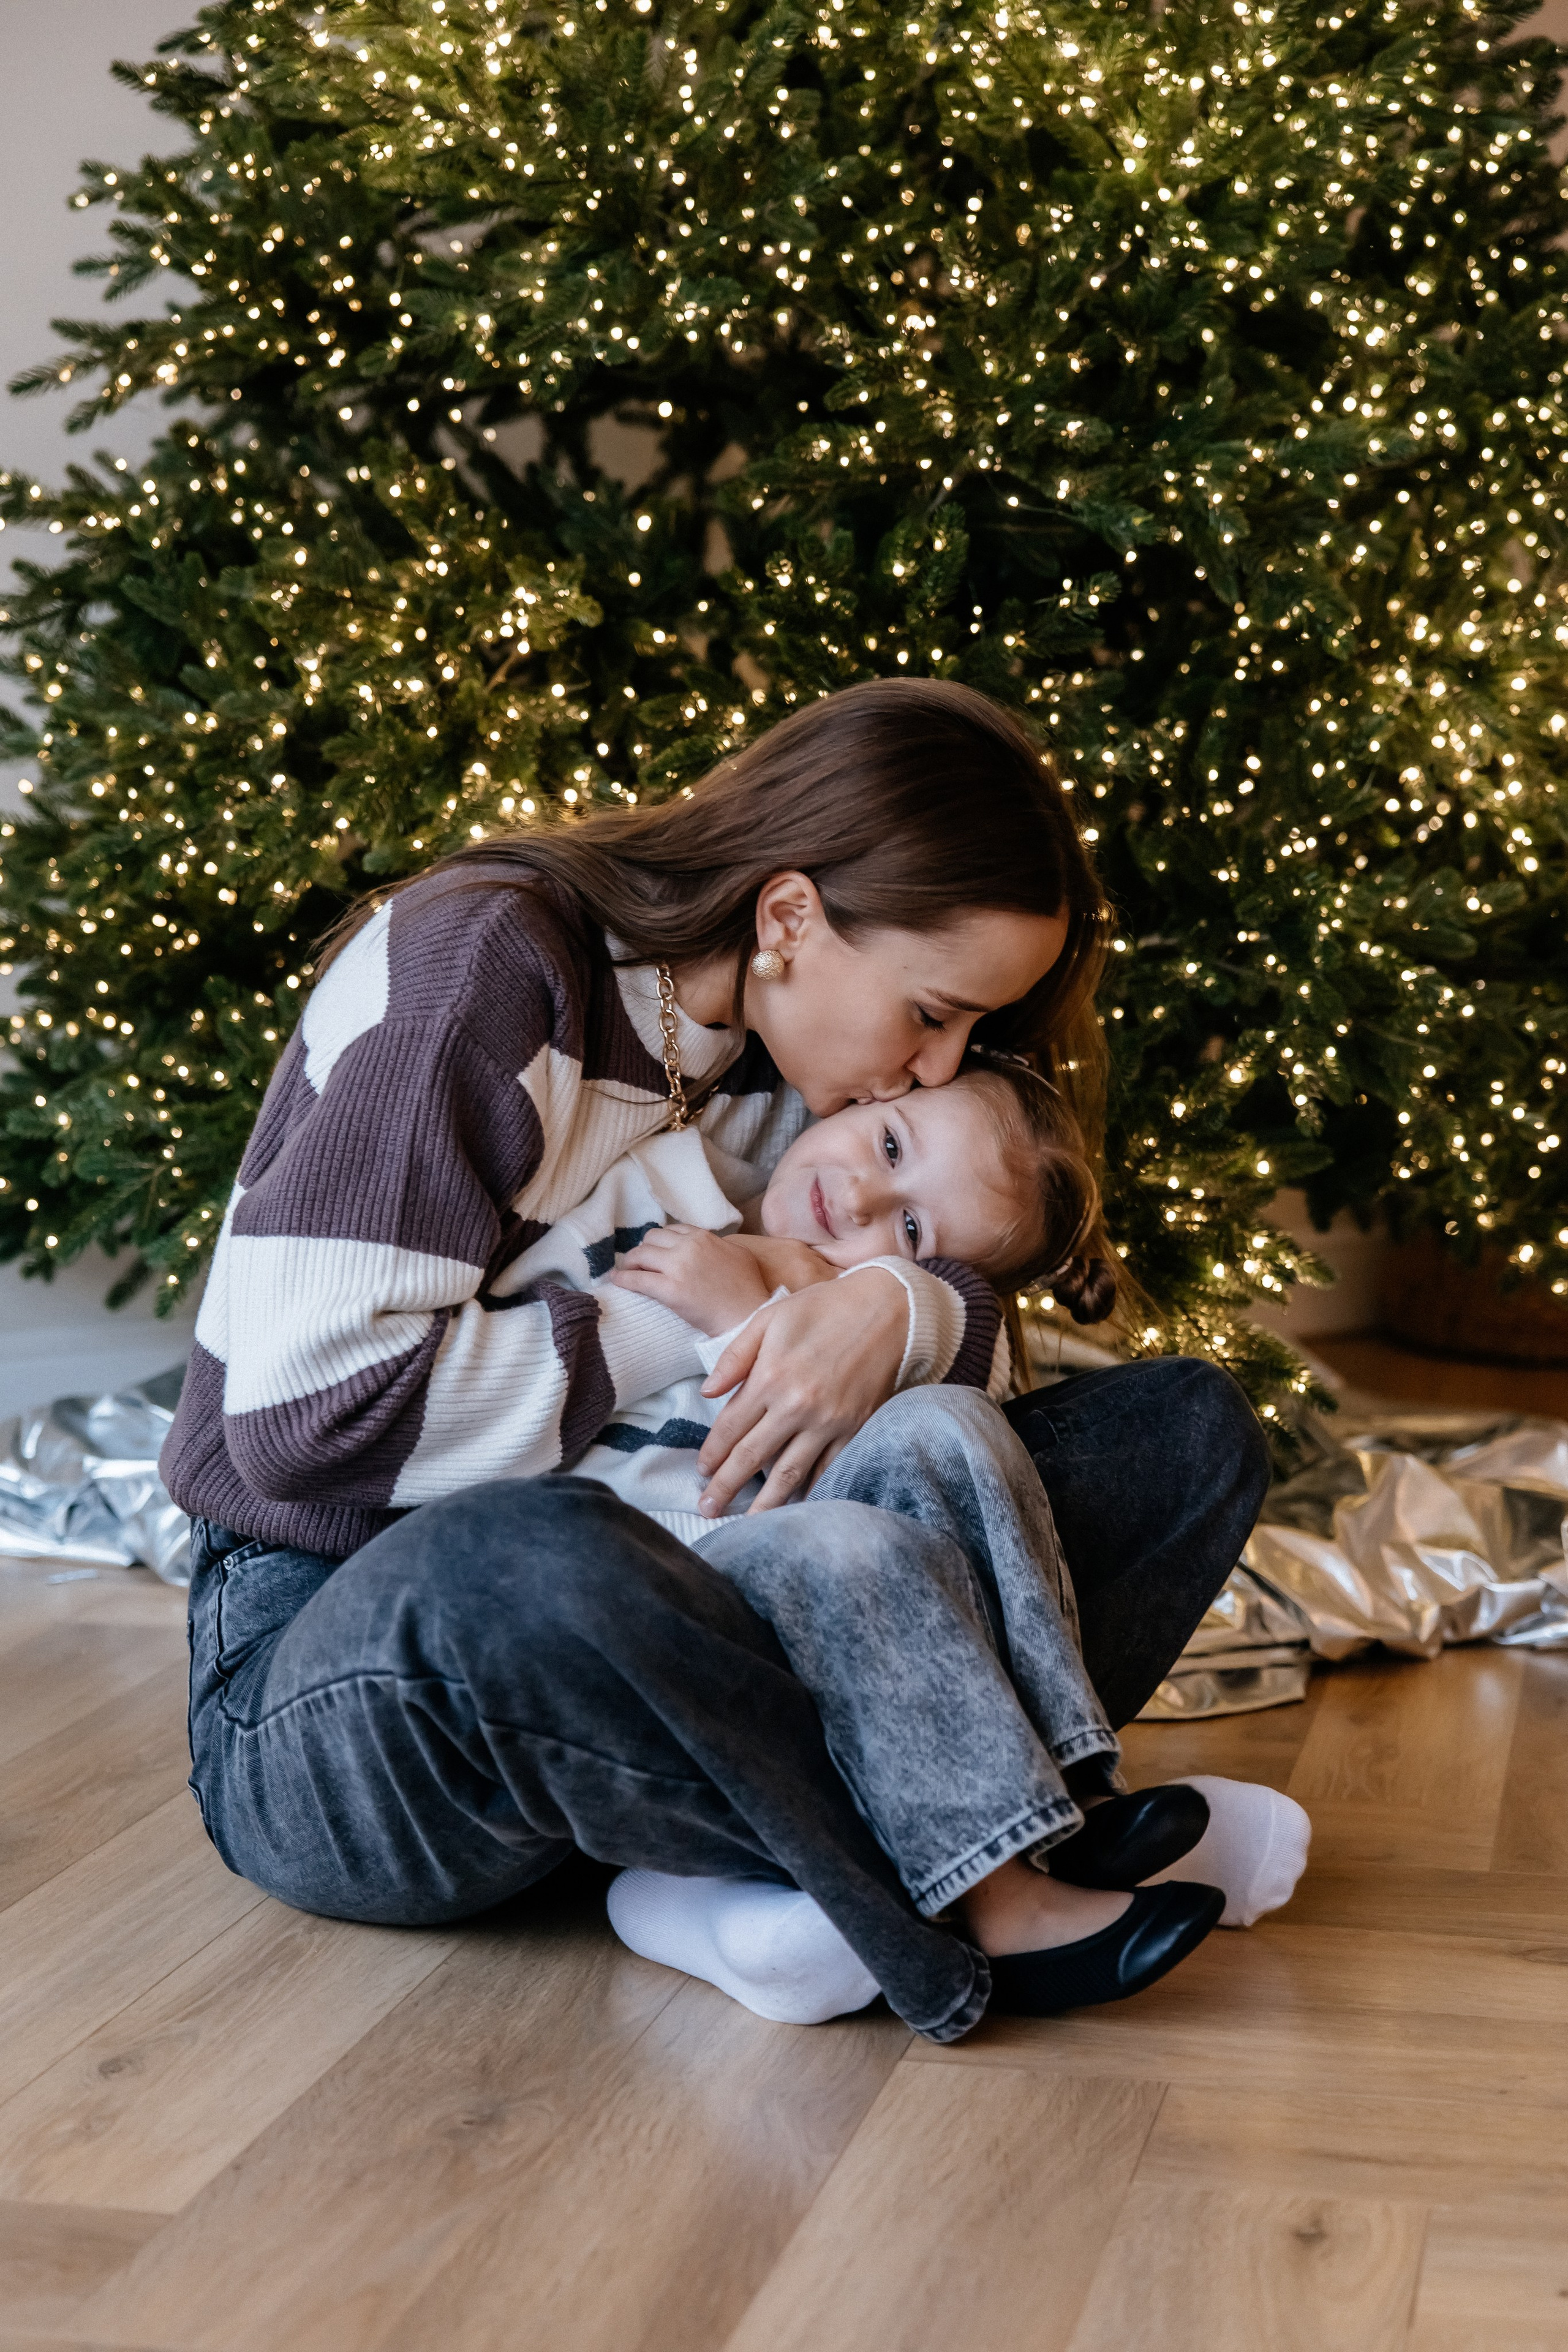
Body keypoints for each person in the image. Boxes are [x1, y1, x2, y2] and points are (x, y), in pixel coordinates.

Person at [164, 677, 1272, 2045]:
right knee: (539, 1557)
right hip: (344, 1650)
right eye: (931, 1013)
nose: (938, 1071)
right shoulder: (483, 969)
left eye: (969, 1034)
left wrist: (889, 1309)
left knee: (1181, 1430)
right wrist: (689, 1314)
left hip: (686, 1569)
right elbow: (303, 1429)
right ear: (792, 916)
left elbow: (975, 1353)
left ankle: (814, 1870)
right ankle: (973, 1850)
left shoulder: (789, 1069)